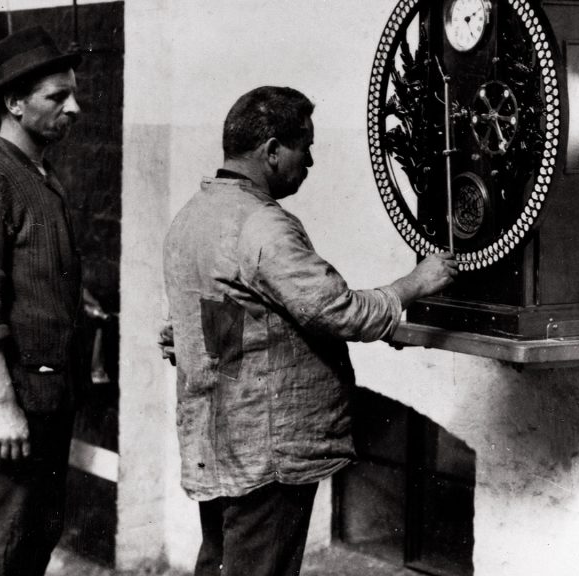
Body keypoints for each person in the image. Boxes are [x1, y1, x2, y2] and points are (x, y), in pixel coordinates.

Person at [161, 86, 458, 576]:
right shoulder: (262, 226)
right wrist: (414, 284)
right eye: (306, 147)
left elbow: (224, 326)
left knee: (221, 564)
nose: (312, 162)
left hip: (223, 444)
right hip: (268, 458)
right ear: (273, 150)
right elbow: (336, 311)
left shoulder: (196, 215)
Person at [0, 26, 88, 575]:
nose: (72, 108)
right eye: (57, 96)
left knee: (31, 544)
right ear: (14, 102)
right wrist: (4, 407)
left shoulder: (40, 176)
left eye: (72, 94)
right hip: (6, 403)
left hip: (45, 398)